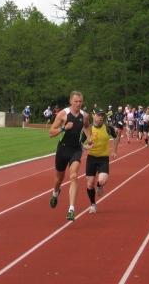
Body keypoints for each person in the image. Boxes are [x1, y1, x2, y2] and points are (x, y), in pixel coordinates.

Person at [48, 91, 92, 221]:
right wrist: (64, 128)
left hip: (76, 149)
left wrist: (89, 138)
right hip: (63, 149)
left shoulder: (84, 115)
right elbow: (51, 133)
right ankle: (55, 193)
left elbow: (86, 127)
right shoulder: (63, 114)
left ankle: (71, 209)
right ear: (70, 101)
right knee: (58, 179)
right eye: (76, 101)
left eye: (80, 101)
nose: (78, 104)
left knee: (73, 176)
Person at [85, 109, 119, 214]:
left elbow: (116, 137)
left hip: (103, 158)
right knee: (90, 184)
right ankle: (93, 204)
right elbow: (80, 142)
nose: (101, 117)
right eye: (98, 115)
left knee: (102, 180)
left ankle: (99, 186)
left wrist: (114, 151)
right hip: (91, 158)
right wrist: (86, 147)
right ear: (93, 115)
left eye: (102, 115)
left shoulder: (108, 128)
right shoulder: (89, 129)